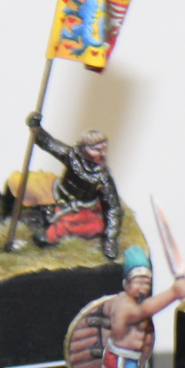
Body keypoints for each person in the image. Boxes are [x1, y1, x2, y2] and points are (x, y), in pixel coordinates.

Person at [24, 111, 121, 259]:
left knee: (87, 227)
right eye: (97, 149)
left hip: (80, 210)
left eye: (104, 149)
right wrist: (36, 127)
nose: (103, 154)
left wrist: (110, 238)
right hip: (58, 196)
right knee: (26, 189)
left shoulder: (103, 178)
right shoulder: (71, 156)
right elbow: (49, 143)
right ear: (83, 147)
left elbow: (113, 208)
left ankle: (53, 231)